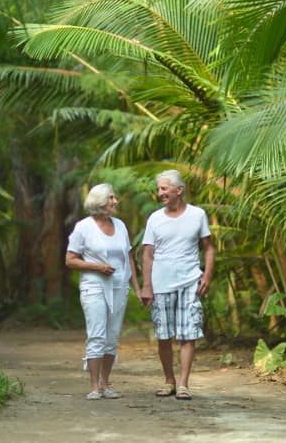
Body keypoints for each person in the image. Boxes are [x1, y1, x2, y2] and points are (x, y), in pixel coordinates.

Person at [140, 169, 215, 400]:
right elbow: (148, 255)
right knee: (164, 335)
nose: (160, 193)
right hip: (161, 284)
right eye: (159, 189)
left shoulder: (198, 215)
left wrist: (207, 276)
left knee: (188, 334)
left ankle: (183, 383)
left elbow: (209, 248)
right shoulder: (155, 218)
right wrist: (146, 286)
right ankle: (168, 380)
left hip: (189, 282)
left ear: (178, 190)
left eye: (164, 188)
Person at [66, 183, 140, 400]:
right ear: (99, 202)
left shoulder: (121, 226)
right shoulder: (83, 227)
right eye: (111, 198)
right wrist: (97, 267)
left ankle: (106, 383)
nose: (115, 202)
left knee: (112, 337)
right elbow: (70, 260)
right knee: (97, 334)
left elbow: (128, 259)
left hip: (119, 287)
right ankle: (94, 386)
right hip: (94, 286)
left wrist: (136, 287)